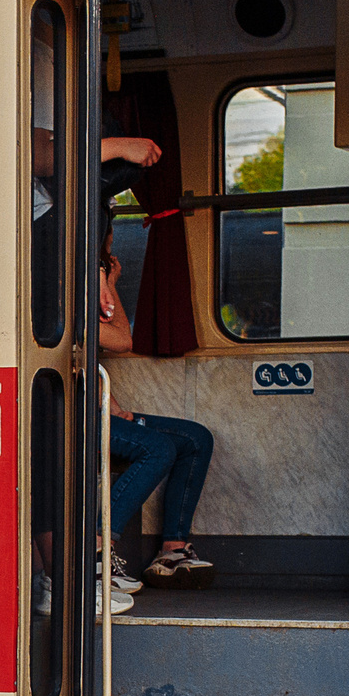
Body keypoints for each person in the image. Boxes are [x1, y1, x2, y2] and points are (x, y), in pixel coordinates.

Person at [97, 225, 216, 596]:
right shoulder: (74, 292)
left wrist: (113, 405)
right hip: (71, 416)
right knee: (158, 448)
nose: (113, 251)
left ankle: (172, 551)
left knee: (194, 438)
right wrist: (107, 282)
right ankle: (98, 550)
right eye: (107, 246)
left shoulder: (93, 289)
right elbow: (121, 339)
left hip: (96, 406)